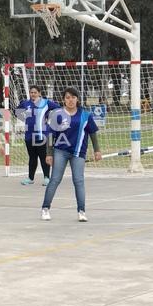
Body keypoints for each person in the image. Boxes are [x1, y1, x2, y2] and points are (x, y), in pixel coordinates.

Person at [40, 87, 102, 222]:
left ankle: (81, 211)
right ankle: (45, 208)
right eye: (67, 97)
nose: (70, 100)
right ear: (63, 100)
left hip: (78, 152)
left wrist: (97, 150)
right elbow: (50, 136)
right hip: (60, 151)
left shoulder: (85, 115)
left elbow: (92, 133)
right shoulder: (57, 115)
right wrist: (49, 153)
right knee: (55, 179)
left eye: (73, 97)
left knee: (79, 181)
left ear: (77, 99)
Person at [17, 85, 60, 186]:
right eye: (31, 92)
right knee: (32, 158)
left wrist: (50, 118)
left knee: (44, 157)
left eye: (35, 92)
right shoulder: (25, 103)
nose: (33, 94)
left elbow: (58, 109)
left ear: (39, 93)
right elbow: (17, 111)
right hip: (29, 136)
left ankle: (46, 178)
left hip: (42, 136)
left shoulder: (46, 103)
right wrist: (24, 119)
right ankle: (30, 178)